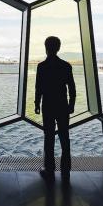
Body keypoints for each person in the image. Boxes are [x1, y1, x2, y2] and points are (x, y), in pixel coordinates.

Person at [34, 36, 76, 180]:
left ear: (46, 48)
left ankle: (49, 169)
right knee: (65, 137)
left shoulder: (42, 66)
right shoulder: (65, 65)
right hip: (62, 105)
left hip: (48, 106)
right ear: (58, 48)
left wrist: (36, 104)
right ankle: (66, 169)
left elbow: (38, 87)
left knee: (49, 137)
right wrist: (72, 104)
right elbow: (71, 87)